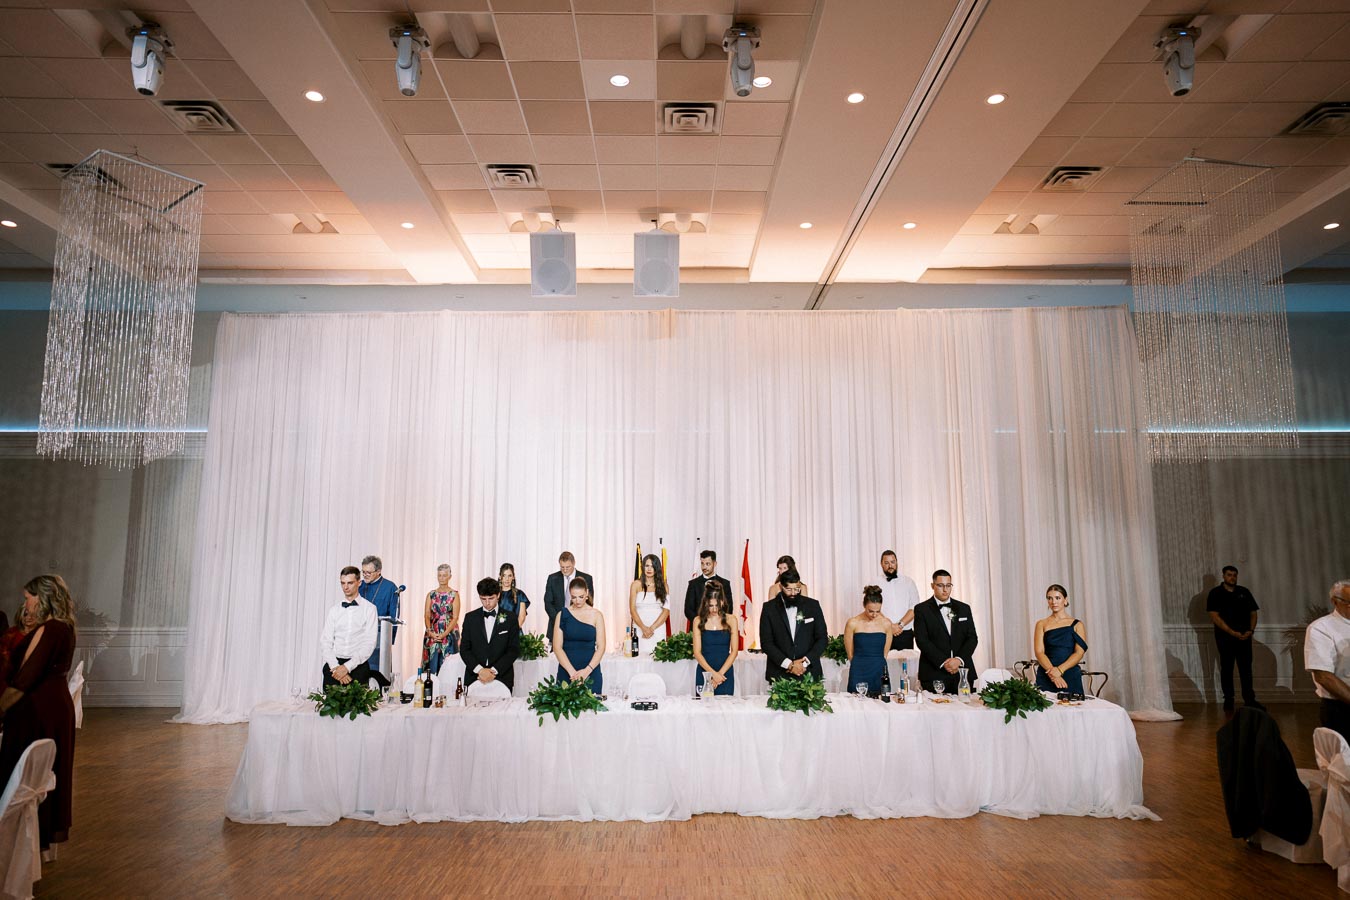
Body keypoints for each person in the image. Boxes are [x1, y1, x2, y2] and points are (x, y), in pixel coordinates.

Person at [0, 575, 77, 853]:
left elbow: (24, 680)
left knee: (19, 775)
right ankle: (29, 844)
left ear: (41, 598)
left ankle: (15, 845)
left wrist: (0, 709)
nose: (26, 604)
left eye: (28, 598)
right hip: (55, 707)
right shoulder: (65, 627)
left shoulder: (50, 629)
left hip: (38, 710)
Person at [912, 569, 978, 694]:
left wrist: (958, 660)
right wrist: (944, 662)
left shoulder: (964, 608)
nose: (945, 589)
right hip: (934, 673)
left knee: (966, 711)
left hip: (962, 673)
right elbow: (922, 640)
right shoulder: (921, 609)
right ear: (932, 586)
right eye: (940, 585)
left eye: (948, 585)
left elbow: (972, 638)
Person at [1207, 565, 1263, 712]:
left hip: (1244, 638)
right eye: (1229, 575)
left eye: (1234, 575)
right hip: (1225, 639)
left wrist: (1250, 630)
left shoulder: (1244, 592)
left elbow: (1253, 613)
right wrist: (1231, 632)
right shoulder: (1215, 593)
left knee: (1246, 669)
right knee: (1227, 668)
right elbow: (1214, 616)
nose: (1232, 577)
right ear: (1223, 576)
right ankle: (1229, 700)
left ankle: (1249, 699)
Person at [759, 569, 827, 684]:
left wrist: (804, 663)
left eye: (797, 589)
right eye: (789, 589)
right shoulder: (769, 609)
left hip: (809, 672)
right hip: (780, 674)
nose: (793, 593)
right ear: (781, 587)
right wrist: (789, 665)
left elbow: (822, 638)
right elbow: (766, 643)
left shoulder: (813, 606)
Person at [459, 577, 522, 693]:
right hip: (475, 677)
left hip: (502, 677)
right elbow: (464, 649)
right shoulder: (470, 618)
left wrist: (493, 671)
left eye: (491, 598)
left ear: (498, 595)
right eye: (483, 599)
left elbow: (513, 650)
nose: (487, 603)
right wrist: (480, 670)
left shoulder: (511, 618)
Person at [1305, 580, 1350, 742]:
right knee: (1343, 764)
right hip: (1340, 709)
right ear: (1335, 601)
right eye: (1349, 602)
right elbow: (1323, 676)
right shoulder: (1321, 628)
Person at [321, 566, 378, 687]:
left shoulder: (370, 609)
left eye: (350, 583)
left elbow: (369, 644)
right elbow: (326, 642)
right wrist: (336, 668)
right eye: (343, 583)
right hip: (334, 667)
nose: (345, 587)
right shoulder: (334, 610)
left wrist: (347, 667)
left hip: (358, 666)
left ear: (359, 583)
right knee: (330, 705)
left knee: (356, 705)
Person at [1033, 584, 1088, 695]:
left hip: (1069, 673)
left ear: (1065, 600)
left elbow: (1079, 653)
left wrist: (1060, 670)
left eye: (1057, 598)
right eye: (1050, 598)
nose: (1054, 602)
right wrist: (1053, 674)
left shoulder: (1077, 624)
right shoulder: (1041, 624)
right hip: (1046, 673)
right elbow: (1039, 652)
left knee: (1073, 709)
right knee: (1045, 710)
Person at [553, 577, 605, 694]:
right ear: (570, 596)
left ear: (587, 593)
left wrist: (586, 671)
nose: (577, 601)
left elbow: (601, 648)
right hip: (567, 672)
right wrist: (573, 673)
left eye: (581, 597)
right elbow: (557, 648)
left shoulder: (597, 615)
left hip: (591, 672)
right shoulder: (561, 615)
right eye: (574, 597)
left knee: (592, 710)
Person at [693, 580, 738, 696]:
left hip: (725, 674)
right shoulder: (698, 621)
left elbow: (734, 652)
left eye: (717, 605)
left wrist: (719, 675)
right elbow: (697, 653)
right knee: (703, 711)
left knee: (725, 712)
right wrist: (712, 674)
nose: (714, 609)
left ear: (722, 602)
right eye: (710, 605)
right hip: (704, 672)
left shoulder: (731, 620)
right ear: (705, 603)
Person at [846, 586, 893, 695]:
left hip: (879, 670)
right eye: (871, 611)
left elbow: (885, 654)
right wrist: (857, 665)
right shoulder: (853, 623)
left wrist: (880, 665)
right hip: (858, 669)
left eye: (878, 611)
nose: (874, 615)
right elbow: (850, 654)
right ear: (864, 605)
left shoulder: (886, 623)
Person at [358, 554, 401, 673]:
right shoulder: (359, 586)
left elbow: (394, 616)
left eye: (368, 573)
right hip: (359, 636)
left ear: (378, 571)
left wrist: (388, 641)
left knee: (377, 673)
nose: (365, 575)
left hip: (379, 637)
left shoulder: (390, 588)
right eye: (363, 572)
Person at [543, 552, 594, 642]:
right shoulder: (552, 578)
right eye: (562, 567)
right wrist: (559, 621)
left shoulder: (586, 578)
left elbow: (589, 602)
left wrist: (576, 621)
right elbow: (548, 603)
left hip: (579, 625)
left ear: (574, 563)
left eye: (568, 567)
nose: (565, 570)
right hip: (556, 626)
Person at [421, 564, 459, 677]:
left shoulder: (454, 595)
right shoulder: (431, 595)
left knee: (449, 666)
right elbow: (427, 615)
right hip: (432, 633)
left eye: (444, 575)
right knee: (431, 666)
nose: (441, 578)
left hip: (450, 633)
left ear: (450, 576)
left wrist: (444, 634)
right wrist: (430, 631)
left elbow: (455, 617)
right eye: (439, 575)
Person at [878, 550, 921, 651]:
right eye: (886, 563)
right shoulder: (874, 582)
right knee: (883, 665)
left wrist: (900, 625)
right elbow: (872, 608)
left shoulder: (909, 582)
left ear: (896, 562)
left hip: (905, 633)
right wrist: (890, 626)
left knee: (905, 666)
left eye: (893, 562)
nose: (890, 566)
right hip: (883, 633)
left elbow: (914, 607)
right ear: (881, 564)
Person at [629, 554, 670, 655]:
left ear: (657, 568)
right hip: (639, 627)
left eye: (652, 566)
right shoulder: (635, 584)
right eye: (647, 565)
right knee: (638, 658)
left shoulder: (664, 586)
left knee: (658, 657)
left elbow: (666, 610)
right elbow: (632, 609)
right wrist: (643, 628)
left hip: (658, 628)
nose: (649, 569)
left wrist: (651, 628)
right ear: (643, 567)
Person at [684, 550, 733, 630]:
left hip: (720, 628)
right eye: (702, 564)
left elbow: (729, 608)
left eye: (708, 564)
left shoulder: (725, 584)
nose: (704, 567)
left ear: (715, 563)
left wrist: (718, 623)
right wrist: (701, 623)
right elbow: (688, 610)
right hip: (699, 628)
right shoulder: (693, 584)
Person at [498, 563, 530, 630]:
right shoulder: (495, 594)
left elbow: (522, 617)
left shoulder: (520, 594)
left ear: (513, 577)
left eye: (509, 576)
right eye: (504, 575)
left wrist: (512, 632)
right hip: (497, 633)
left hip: (515, 632)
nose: (507, 579)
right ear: (500, 577)